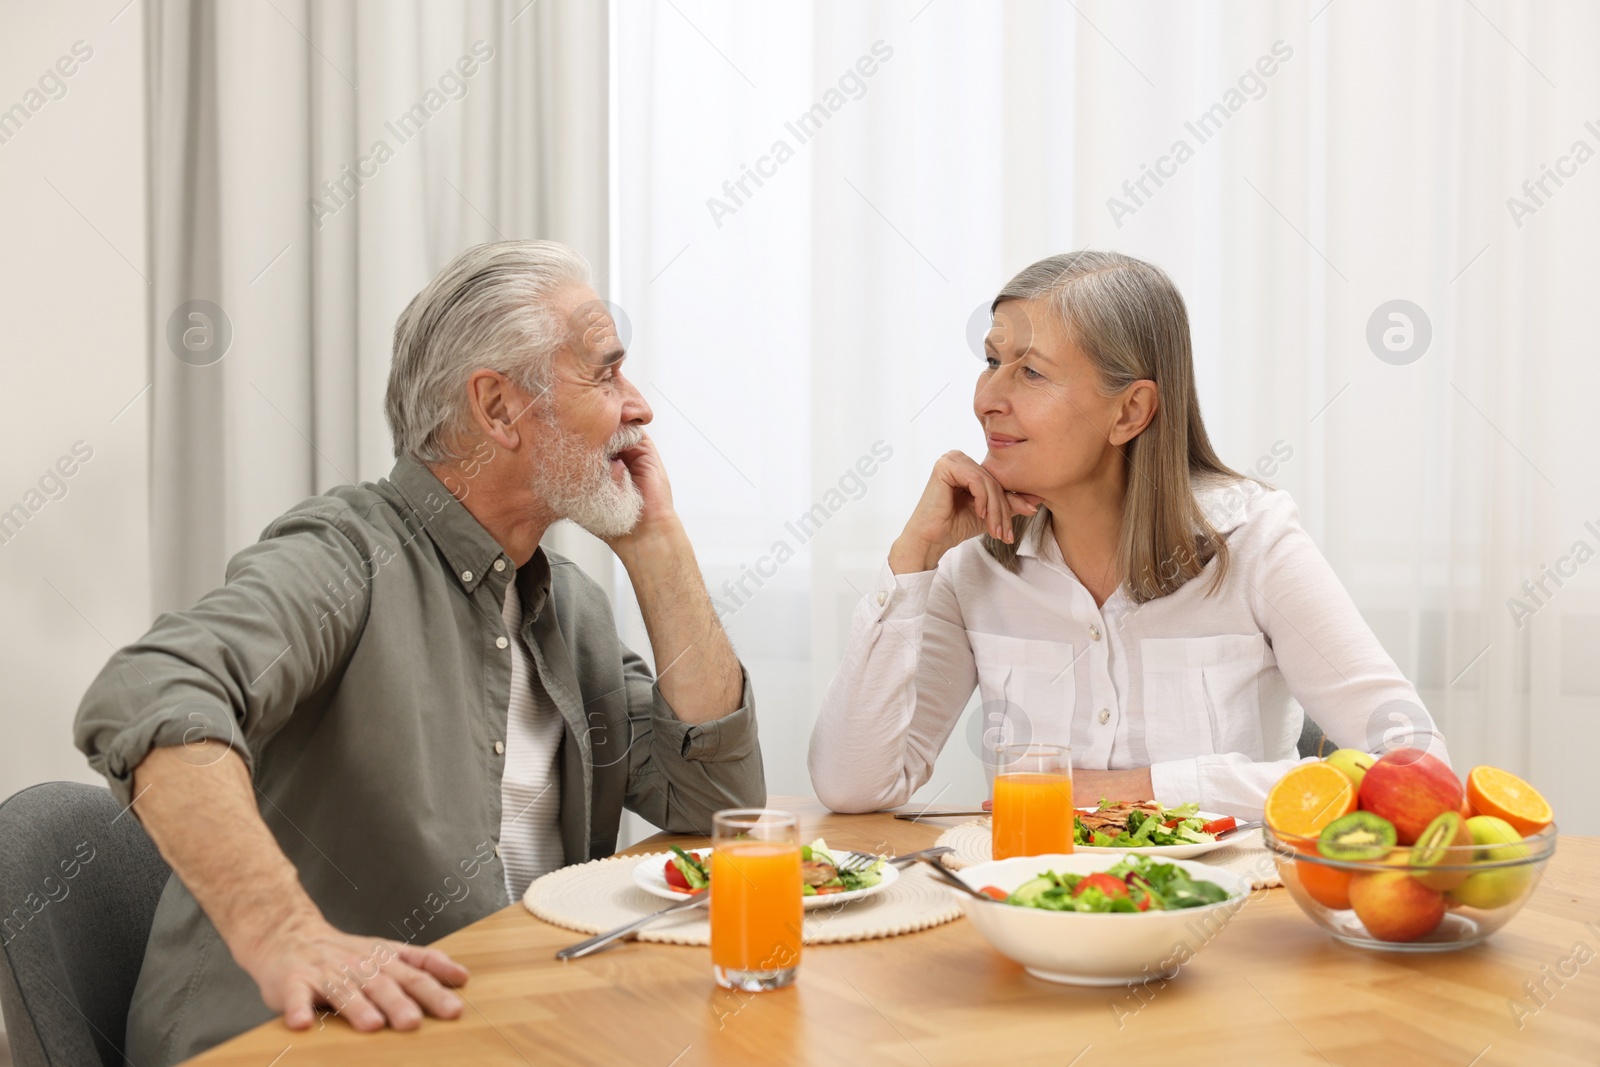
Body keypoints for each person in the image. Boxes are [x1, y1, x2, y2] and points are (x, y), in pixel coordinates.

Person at [74, 240, 764, 1065]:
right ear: (499, 408)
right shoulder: (346, 554)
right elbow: (149, 689)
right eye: (605, 372)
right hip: (292, 1043)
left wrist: (656, 540)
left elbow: (719, 807)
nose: (639, 405)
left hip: (498, 1028)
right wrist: (283, 928)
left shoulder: (564, 605)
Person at [808, 250, 1446, 819]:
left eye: (1030, 373)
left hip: (1233, 922)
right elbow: (853, 787)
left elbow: (1416, 762)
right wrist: (912, 559)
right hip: (1037, 914)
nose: (987, 400)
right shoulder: (972, 565)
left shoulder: (1253, 542)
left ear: (1131, 410)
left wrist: (1146, 787)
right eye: (992, 362)